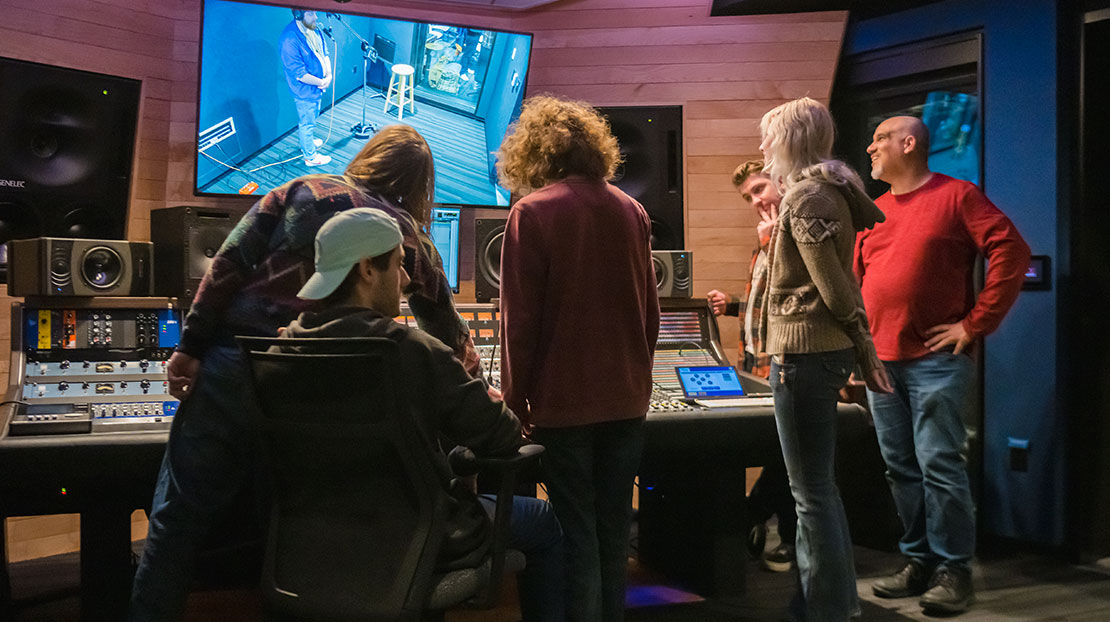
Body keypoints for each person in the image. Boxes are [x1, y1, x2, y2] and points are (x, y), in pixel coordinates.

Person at [129, 125, 482, 621]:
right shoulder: (405, 232)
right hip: (327, 381)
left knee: (176, 521)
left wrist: (190, 347)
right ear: (420, 184)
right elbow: (446, 327)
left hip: (236, 361)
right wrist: (480, 387)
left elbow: (228, 264)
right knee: (303, 518)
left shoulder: (301, 189)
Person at [280, 208, 564, 622]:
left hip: (311, 540)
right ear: (366, 270)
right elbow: (502, 435)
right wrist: (486, 399)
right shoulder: (413, 350)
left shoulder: (280, 349)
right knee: (542, 520)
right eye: (398, 264)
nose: (409, 280)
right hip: (418, 535)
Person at [856, 116, 1030, 615]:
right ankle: (919, 561)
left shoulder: (958, 197)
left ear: (908, 143)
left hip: (934, 360)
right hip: (879, 363)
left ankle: (954, 569)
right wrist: (856, 353)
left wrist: (974, 324)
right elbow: (856, 282)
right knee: (901, 468)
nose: (870, 148)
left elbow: (1011, 250)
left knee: (938, 464)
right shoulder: (873, 209)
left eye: (880, 139)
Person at [496, 95, 660, 622]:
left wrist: (518, 401)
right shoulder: (631, 209)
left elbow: (518, 322)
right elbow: (650, 314)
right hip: (627, 401)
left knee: (576, 534)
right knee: (615, 533)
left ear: (534, 153)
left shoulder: (532, 211)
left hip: (565, 404)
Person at [757, 96, 893, 622]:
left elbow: (836, 292)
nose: (764, 147)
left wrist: (866, 349)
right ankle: (822, 602)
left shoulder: (808, 197)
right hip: (819, 354)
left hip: (805, 355)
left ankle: (829, 608)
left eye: (769, 137)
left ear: (789, 140)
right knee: (815, 491)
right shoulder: (824, 193)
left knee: (811, 494)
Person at [705, 159, 797, 573]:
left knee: (790, 454)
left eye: (760, 189)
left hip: (789, 359)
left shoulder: (786, 234)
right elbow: (770, 302)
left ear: (780, 181)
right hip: (759, 362)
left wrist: (773, 242)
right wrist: (735, 307)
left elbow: (797, 294)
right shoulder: (766, 237)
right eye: (749, 197)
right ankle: (760, 518)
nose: (756, 201)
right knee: (774, 449)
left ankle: (769, 524)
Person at [279, 9, 332, 167]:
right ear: (298, 15)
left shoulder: (314, 27)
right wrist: (321, 82)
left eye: (315, 12)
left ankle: (308, 142)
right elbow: (299, 74)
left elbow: (325, 52)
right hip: (305, 92)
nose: (316, 17)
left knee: (312, 119)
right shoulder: (289, 40)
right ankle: (310, 157)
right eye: (311, 14)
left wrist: (329, 75)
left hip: (318, 86)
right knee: (307, 123)